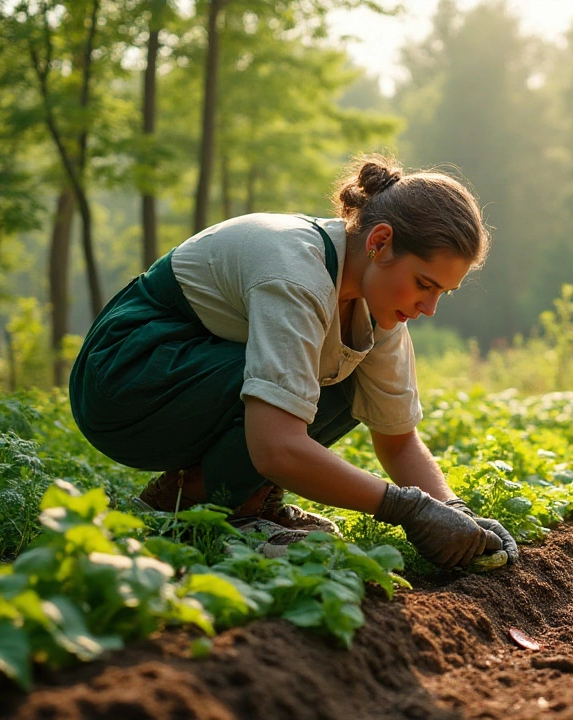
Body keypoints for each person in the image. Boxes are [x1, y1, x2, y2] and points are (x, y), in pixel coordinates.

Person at [68, 155, 518, 569]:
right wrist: (406, 508)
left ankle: (239, 497)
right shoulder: (296, 272)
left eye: (442, 292)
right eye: (424, 284)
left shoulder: (378, 306)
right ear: (380, 242)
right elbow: (275, 446)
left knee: (339, 383)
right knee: (293, 389)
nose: (429, 308)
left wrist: (455, 511)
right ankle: (193, 509)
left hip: (192, 372)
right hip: (124, 373)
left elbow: (398, 440)